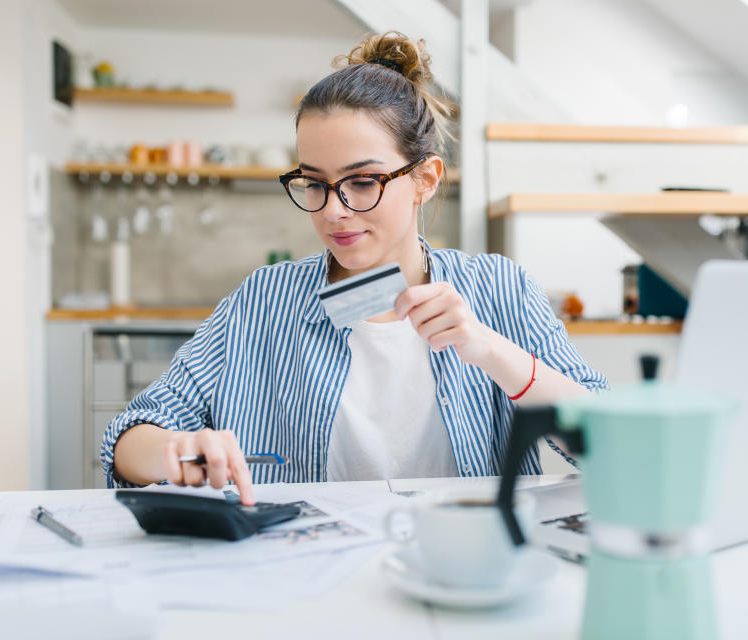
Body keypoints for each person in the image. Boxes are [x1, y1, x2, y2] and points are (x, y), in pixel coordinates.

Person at [100, 32, 608, 505]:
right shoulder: (266, 299)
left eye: (362, 182)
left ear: (426, 179)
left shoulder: (500, 289)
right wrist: (177, 450)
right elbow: (130, 435)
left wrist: (492, 351)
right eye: (314, 183)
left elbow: (614, 446)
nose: (332, 210)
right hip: (308, 576)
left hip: (460, 569)